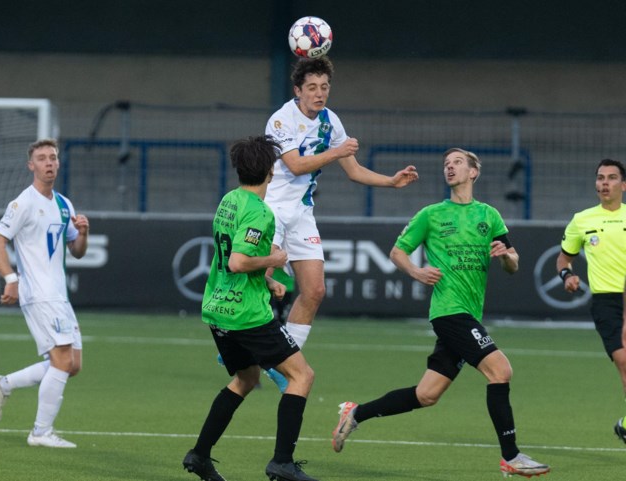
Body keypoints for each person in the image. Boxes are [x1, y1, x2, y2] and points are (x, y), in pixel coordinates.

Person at [331, 148, 550, 478]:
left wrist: (505, 256)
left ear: (473, 172)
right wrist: (417, 273)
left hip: (470, 313)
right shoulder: (431, 214)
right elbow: (396, 252)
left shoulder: (489, 216)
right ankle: (511, 456)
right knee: (500, 371)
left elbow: (514, 263)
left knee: (427, 395)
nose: (450, 167)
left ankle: (357, 413)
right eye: (446, 164)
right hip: (449, 312)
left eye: (457, 162)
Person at [263, 56, 418, 377]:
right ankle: (240, 347)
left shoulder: (331, 121)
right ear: (298, 90)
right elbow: (294, 165)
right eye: (312, 88)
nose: (319, 93)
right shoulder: (281, 120)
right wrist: (338, 150)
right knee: (261, 283)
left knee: (315, 291)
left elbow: (354, 169)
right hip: (272, 210)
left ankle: (280, 363)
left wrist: (391, 181)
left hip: (302, 213)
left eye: (324, 87)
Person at [183, 135, 318, 481]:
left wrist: (268, 280)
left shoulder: (229, 199)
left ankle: (199, 455)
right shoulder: (260, 212)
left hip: (218, 308)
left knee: (246, 378)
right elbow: (239, 261)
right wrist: (275, 258)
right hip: (247, 314)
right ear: (271, 170)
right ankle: (282, 463)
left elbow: (229, 257)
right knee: (301, 376)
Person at [0, 138, 90, 448]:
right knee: (61, 361)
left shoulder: (63, 203)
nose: (48, 163)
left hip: (58, 295)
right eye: (41, 158)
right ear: (31, 165)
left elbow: (78, 251)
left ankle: (3, 384)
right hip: (40, 294)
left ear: (58, 163)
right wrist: (10, 277)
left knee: (73, 365)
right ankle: (41, 433)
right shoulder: (23, 203)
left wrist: (83, 233)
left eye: (53, 158)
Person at [556, 158, 626, 443]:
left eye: (611, 177)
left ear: (623, 184)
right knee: (623, 359)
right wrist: (566, 275)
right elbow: (564, 258)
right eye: (600, 178)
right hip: (606, 302)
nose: (604, 183)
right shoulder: (582, 220)